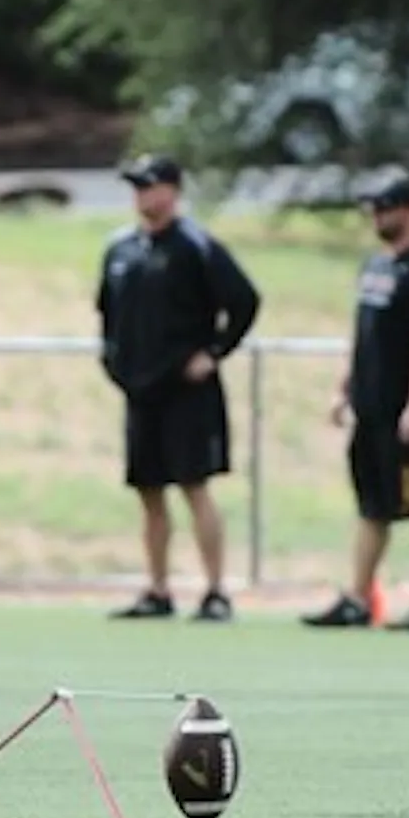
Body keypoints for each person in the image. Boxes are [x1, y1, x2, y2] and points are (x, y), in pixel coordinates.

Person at [97, 154, 261, 622]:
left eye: (150, 186)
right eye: (137, 188)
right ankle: (157, 587)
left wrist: (213, 352)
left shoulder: (196, 246)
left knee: (195, 486)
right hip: (140, 389)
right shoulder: (121, 249)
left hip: (187, 391)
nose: (143, 196)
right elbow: (107, 311)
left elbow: (244, 301)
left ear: (172, 191)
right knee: (149, 491)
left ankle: (214, 590)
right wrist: (112, 360)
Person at [302, 177, 409, 631]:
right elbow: (363, 336)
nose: (375, 217)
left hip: (406, 410)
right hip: (369, 409)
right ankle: (358, 596)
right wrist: (344, 387)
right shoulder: (374, 267)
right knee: (373, 505)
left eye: (384, 208)